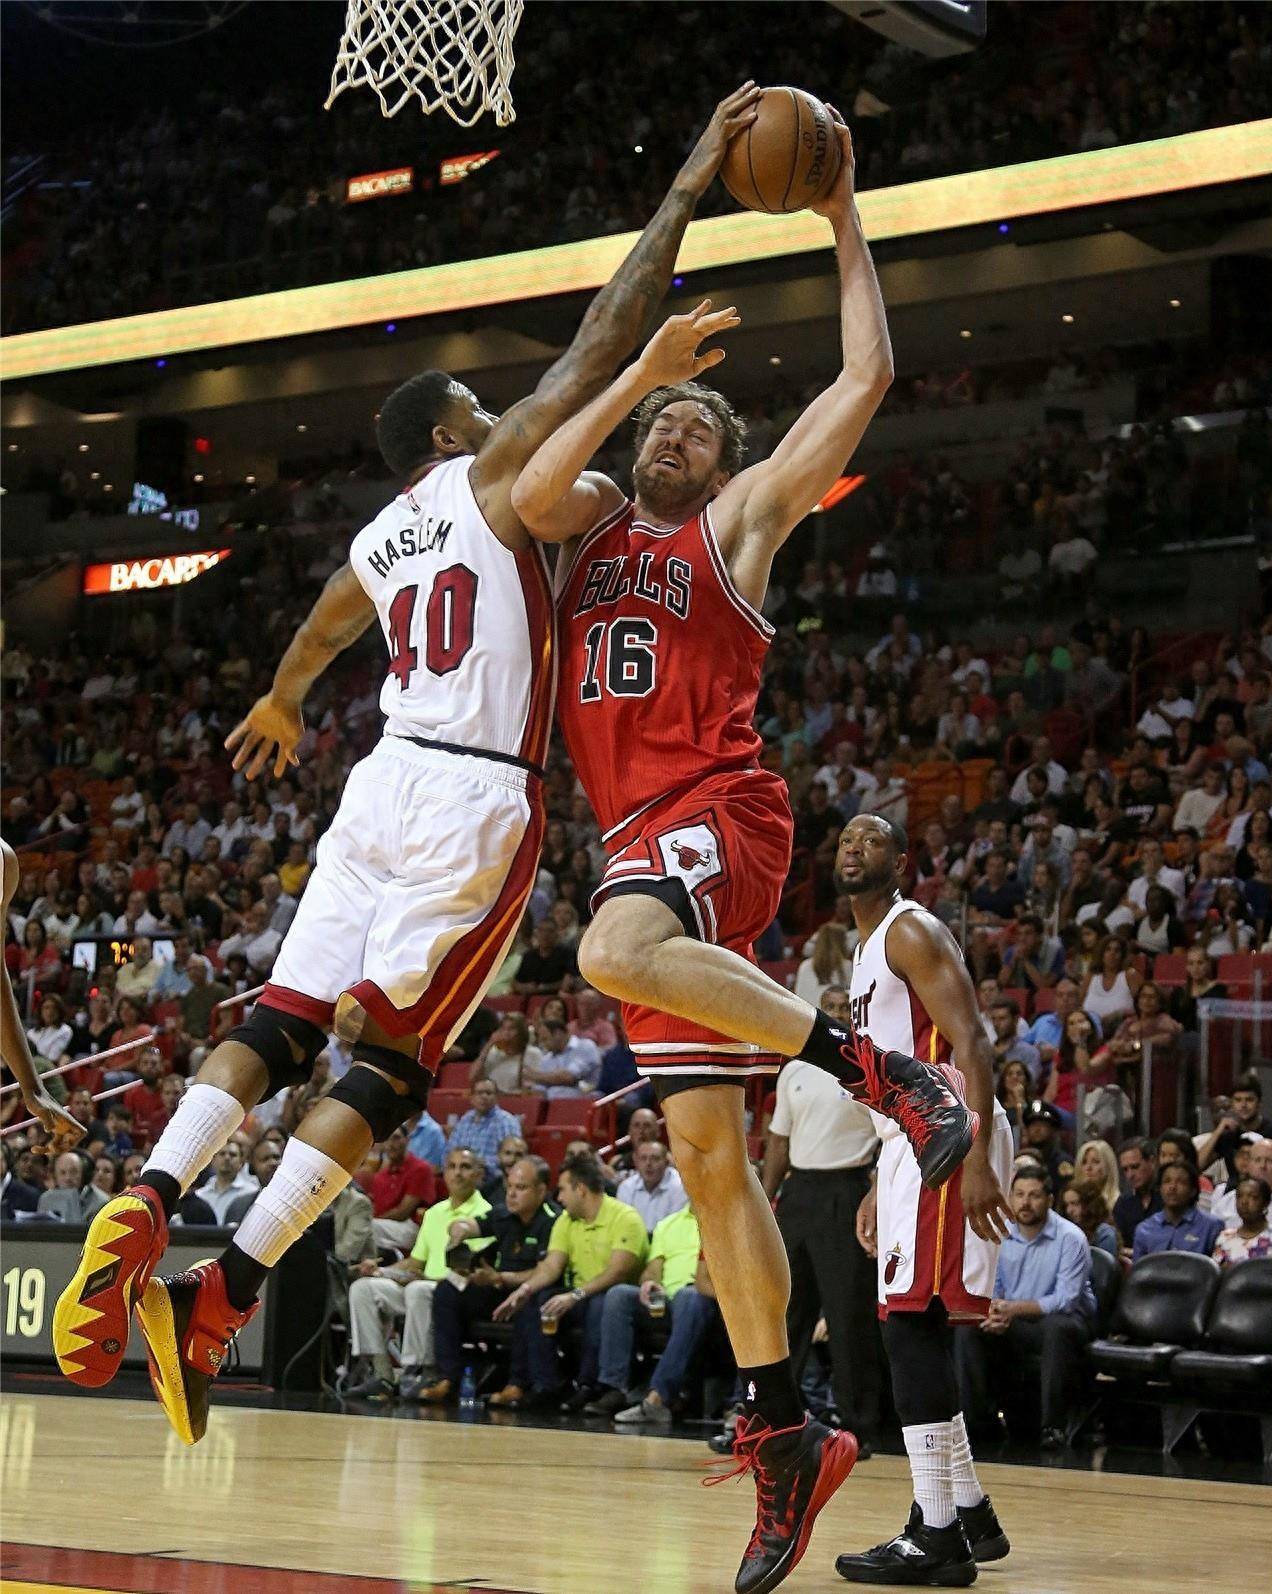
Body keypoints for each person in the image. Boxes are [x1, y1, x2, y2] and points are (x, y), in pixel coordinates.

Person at [50, 86, 758, 1443]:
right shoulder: (491, 474)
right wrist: (676, 213)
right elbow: (601, 339)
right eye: (483, 406)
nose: (503, 412)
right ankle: (226, 1289)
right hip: (476, 789)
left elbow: (328, 607)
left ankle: (148, 1192)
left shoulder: (391, 529)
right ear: (452, 433)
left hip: (374, 778)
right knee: (388, 1068)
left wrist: (279, 693)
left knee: (283, 1012)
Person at [512, 117, 976, 1591]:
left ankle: (876, 1072)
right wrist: (642, 370)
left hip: (723, 811)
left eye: (702, 427)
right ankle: (789, 1433)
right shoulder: (583, 529)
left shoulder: (736, 524)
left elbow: (865, 380)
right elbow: (527, 484)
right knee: (711, 1160)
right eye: (665, 425)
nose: (678, 437)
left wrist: (842, 216)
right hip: (635, 842)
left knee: (608, 950)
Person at [835, 815, 1014, 1588]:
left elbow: (974, 1040)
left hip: (948, 1131)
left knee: (913, 1327)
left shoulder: (911, 932)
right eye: (844, 837)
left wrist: (971, 1151)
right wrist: (882, 1175)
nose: (853, 847)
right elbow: (886, 1083)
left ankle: (936, 1532)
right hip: (911, 1142)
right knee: (918, 1324)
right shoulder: (865, 952)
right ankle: (964, 1510)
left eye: (872, 840)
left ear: (900, 863)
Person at [762, 1052, 883, 1438]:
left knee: (848, 1315)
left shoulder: (870, 1071)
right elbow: (778, 1143)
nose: (834, 1013)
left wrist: (877, 1191)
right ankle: (774, 1421)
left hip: (848, 1188)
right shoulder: (794, 1071)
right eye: (826, 1007)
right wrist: (765, 1201)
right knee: (787, 1310)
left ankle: (857, 1426)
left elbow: (892, 1140)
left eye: (840, 1008)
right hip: (798, 1192)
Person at [954, 1167, 1096, 1450]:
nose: (1025, 1203)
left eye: (1034, 1196)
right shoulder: (1001, 1234)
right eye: (1018, 1195)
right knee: (968, 1329)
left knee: (1058, 1329)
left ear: (1050, 1200)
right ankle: (979, 1424)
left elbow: (1066, 1300)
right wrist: (994, 1312)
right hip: (1015, 1319)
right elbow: (993, 1287)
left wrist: (1011, 1309)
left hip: (1064, 1321)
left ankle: (1052, 1427)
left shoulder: (1071, 1237)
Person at [493, 1150, 648, 1410]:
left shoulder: (625, 1217)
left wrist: (575, 1295)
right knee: (539, 1301)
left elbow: (617, 1272)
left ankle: (589, 1386)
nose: (560, 1198)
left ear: (581, 1189)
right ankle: (546, 1385)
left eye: (563, 1190)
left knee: (602, 1302)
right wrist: (525, 1289)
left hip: (616, 1299)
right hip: (581, 1296)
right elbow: (552, 1266)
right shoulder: (567, 1220)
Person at [345, 1147, 490, 1401]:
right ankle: (381, 1373)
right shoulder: (434, 1213)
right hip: (420, 1286)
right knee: (364, 1287)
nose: (457, 1173)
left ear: (479, 1175)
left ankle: (420, 1371)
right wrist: (382, 1271)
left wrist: (423, 1279)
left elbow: (471, 1268)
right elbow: (415, 1262)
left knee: (418, 1290)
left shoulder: (484, 1215)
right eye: (452, 1166)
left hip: (453, 1293)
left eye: (465, 1167)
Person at [418, 1154, 559, 1405]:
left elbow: (545, 1272)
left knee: (529, 1304)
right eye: (510, 1187)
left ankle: (517, 1384)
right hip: (499, 1286)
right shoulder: (504, 1214)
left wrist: (501, 1278)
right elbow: (471, 1224)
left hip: (532, 1291)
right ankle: (448, 1377)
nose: (512, 1194)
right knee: (446, 1292)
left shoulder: (553, 1220)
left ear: (541, 1191)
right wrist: (458, 1231)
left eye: (521, 1188)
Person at [585, 1201, 718, 1425]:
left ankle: (658, 1397)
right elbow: (652, 1270)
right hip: (667, 1300)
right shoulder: (668, 1224)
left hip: (707, 1301)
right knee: (619, 1295)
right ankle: (614, 1387)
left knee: (690, 1296)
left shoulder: (724, 1221)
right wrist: (650, 1283)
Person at [1132, 1160, 1223, 1260]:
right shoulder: (1144, 1229)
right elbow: (1138, 1272)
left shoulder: (1212, 1226)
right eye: (1167, 1181)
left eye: (1181, 1182)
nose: (1172, 1187)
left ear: (1193, 1190)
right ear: (1160, 1188)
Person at [365, 1124, 438, 1251]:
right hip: (382, 1225)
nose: (391, 1144)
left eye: (396, 1138)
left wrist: (371, 1220)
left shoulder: (420, 1169)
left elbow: (402, 1213)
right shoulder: (381, 1175)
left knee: (363, 1228)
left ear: (407, 1140)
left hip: (410, 1227)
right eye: (387, 1139)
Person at [444, 1079, 522, 1182]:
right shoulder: (465, 1120)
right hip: (462, 1178)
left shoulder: (507, 1122)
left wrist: (480, 1164)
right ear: (472, 1097)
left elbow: (513, 1158)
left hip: (492, 1182)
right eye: (479, 1093)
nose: (484, 1096)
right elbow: (449, 1151)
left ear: (496, 1097)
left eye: (489, 1093)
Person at [616, 1139, 688, 1232]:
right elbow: (622, 1225)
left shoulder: (680, 1187)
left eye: (655, 1158)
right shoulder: (626, 1187)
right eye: (643, 1158)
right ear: (636, 1162)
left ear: (666, 1162)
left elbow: (676, 1228)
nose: (648, 1164)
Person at [1212, 1175, 1272, 1266]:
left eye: (1253, 1197)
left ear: (1265, 1202)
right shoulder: (1224, 1237)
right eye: (1239, 1196)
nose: (1244, 1202)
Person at [1114, 1137, 1160, 1250]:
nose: (1130, 1175)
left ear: (1152, 1161)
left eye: (1135, 1167)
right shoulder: (1123, 1203)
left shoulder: (1169, 1198)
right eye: (1125, 1169)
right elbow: (1119, 1246)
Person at [38, 1151, 110, 1223]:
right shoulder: (46, 1199)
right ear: (55, 1176)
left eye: (73, 1172)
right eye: (62, 1173)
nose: (68, 1178)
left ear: (83, 1174)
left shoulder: (101, 1202)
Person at [1060, 1180, 1120, 1258]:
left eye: (1074, 1204)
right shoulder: (1069, 1231)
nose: (1069, 1210)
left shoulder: (1104, 1233)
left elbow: (1102, 1268)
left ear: (1089, 1204)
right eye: (1066, 1205)